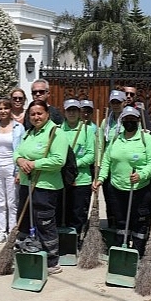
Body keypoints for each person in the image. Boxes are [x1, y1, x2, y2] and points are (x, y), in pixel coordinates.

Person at [93, 106, 151, 256]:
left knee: (139, 223)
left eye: (132, 119)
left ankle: (137, 252)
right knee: (121, 222)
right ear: (121, 121)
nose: (129, 122)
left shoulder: (146, 139)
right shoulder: (116, 138)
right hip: (117, 188)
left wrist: (141, 174)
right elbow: (106, 161)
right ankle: (120, 251)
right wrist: (100, 179)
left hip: (140, 190)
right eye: (126, 119)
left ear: (138, 121)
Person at [14, 99, 68, 274]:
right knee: (25, 222)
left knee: (45, 223)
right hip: (26, 184)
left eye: (39, 113)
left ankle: (52, 261)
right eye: (32, 114)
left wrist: (34, 164)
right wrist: (20, 160)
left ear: (47, 114)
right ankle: (29, 253)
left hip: (46, 187)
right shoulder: (29, 133)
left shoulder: (56, 133)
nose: (36, 117)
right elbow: (17, 152)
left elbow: (59, 160)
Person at [0, 97, 24, 244]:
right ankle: (2, 232)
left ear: (11, 109)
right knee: (0, 202)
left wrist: (19, 171)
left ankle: (13, 232)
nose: (3, 111)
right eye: (0, 109)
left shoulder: (18, 128)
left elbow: (22, 150)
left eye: (6, 108)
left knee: (12, 202)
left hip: (12, 167)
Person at [59, 99, 95, 236]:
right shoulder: (58, 130)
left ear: (80, 112)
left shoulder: (87, 130)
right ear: (65, 112)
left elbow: (91, 155)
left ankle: (77, 240)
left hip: (81, 180)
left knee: (78, 213)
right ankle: (64, 241)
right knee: (63, 212)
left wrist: (73, 165)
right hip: (62, 180)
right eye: (69, 110)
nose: (72, 113)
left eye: (75, 110)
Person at [99, 90, 126, 229]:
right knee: (110, 199)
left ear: (124, 103)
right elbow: (101, 144)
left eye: (118, 102)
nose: (115, 105)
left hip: (122, 165)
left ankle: (123, 228)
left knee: (122, 201)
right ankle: (112, 228)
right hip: (108, 165)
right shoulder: (106, 121)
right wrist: (99, 165)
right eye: (113, 102)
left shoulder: (129, 119)